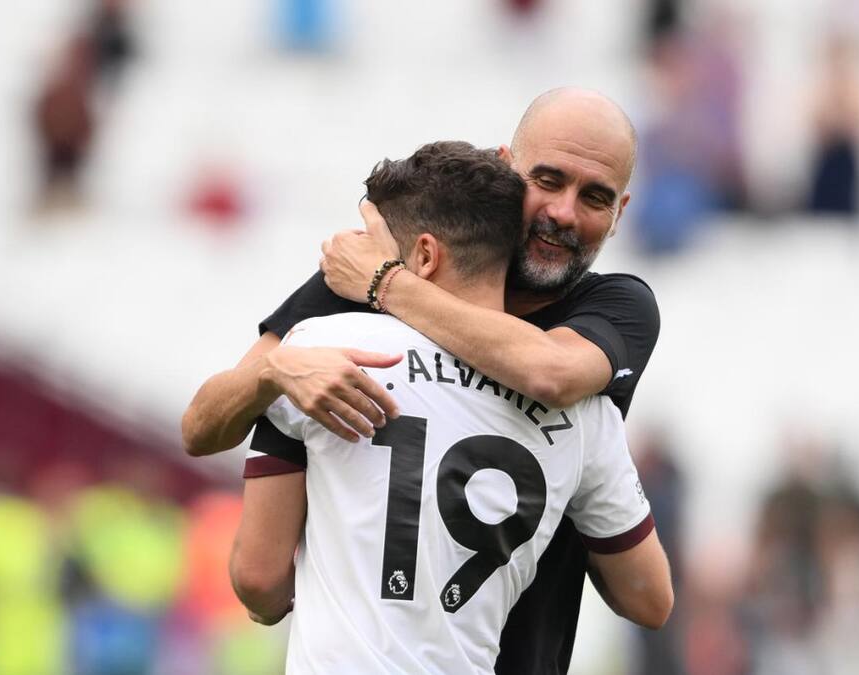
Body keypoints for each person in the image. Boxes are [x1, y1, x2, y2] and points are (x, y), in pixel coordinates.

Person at [182, 87, 661, 674]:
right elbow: (207, 417)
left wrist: (388, 284)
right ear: (507, 169)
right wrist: (273, 372)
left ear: (621, 214)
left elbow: (548, 371)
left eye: (594, 197)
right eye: (549, 179)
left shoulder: (613, 308)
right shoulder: (591, 419)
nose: (563, 212)